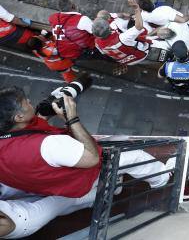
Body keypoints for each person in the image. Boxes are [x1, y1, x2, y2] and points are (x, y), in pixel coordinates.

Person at [0, 86, 174, 238]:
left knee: (117, 140)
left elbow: (27, 139)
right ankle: (163, 179)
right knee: (133, 156)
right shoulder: (49, 146)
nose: (30, 101)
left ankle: (116, 185)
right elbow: (92, 158)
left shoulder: (6, 140)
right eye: (26, 103)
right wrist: (72, 119)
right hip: (79, 174)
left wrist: (43, 113)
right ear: (19, 117)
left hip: (49, 182)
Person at [92, 0, 149, 70]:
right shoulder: (122, 37)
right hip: (141, 55)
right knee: (145, 26)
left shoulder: (97, 43)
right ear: (109, 28)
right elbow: (139, 26)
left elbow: (103, 52)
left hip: (126, 61)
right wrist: (136, 8)